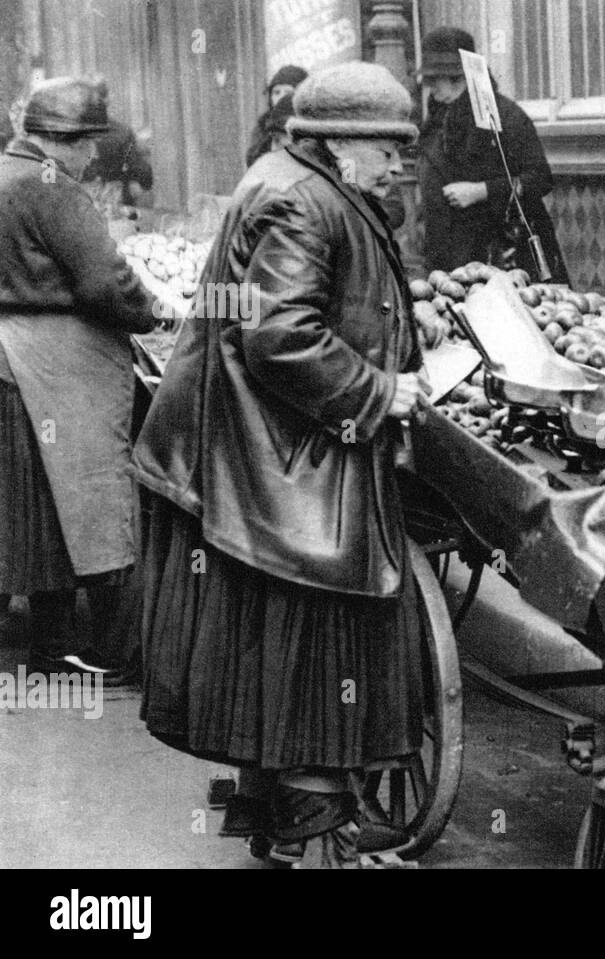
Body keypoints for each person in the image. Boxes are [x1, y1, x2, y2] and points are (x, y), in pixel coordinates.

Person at [131, 62, 436, 869]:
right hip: (277, 461)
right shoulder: (301, 199)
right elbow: (281, 337)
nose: (399, 163)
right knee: (316, 637)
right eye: (388, 148)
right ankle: (322, 838)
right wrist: (381, 390)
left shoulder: (297, 180)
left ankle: (274, 817)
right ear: (338, 141)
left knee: (273, 642)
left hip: (257, 448)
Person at [0, 78, 157, 683]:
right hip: (57, 362)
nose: (94, 157)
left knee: (35, 507)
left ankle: (52, 646)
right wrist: (151, 311)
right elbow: (103, 284)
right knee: (92, 499)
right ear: (61, 143)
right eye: (88, 144)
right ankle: (100, 652)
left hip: (12, 360)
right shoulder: (53, 191)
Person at [416, 27, 569, 283]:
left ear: (460, 77)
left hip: (504, 253)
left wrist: (481, 190)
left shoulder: (507, 117)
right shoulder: (436, 119)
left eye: (435, 78)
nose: (430, 87)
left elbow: (540, 178)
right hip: (449, 255)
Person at [81, 78, 153, 207]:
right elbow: (139, 170)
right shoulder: (122, 131)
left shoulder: (70, 132)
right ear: (107, 100)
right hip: (112, 200)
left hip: (87, 199)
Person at [246, 65, 308, 168]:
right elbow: (252, 160)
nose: (281, 97)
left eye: (288, 92)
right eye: (276, 92)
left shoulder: (311, 121)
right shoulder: (263, 125)